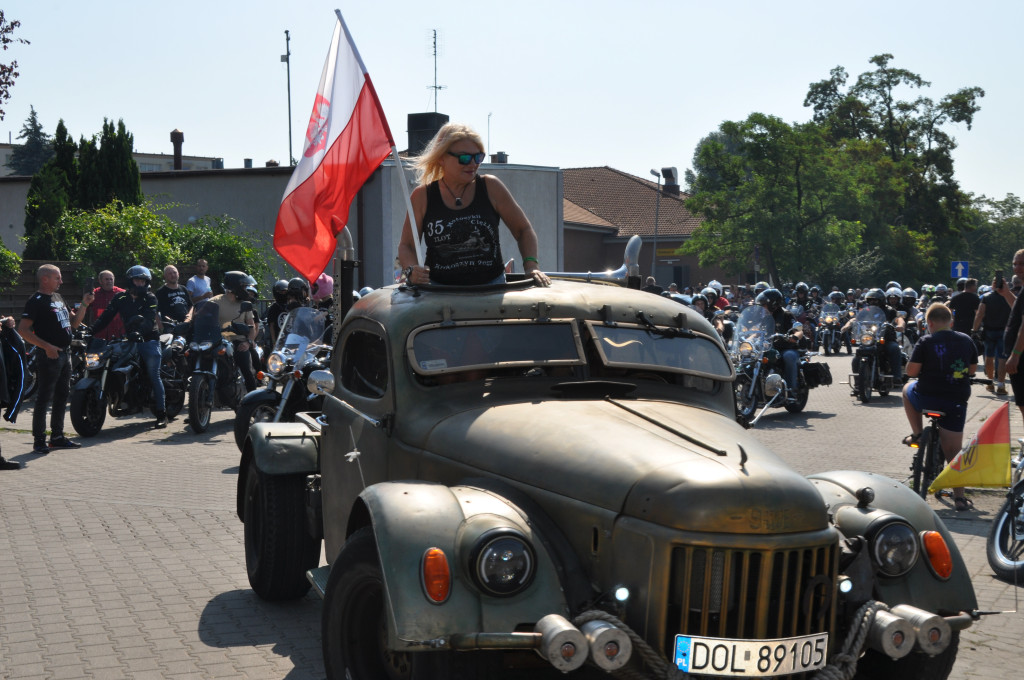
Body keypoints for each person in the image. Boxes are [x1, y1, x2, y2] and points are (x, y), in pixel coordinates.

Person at [397, 122, 550, 287]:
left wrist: (531, 266)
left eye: (478, 157)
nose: (473, 164)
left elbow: (523, 230)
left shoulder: (491, 187)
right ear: (441, 158)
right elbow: (407, 246)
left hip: (492, 289)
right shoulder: (422, 196)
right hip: (440, 294)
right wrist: (411, 270)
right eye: (464, 158)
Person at [901, 303, 978, 511]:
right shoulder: (966, 340)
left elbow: (912, 371)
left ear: (930, 323)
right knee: (954, 450)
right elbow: (971, 371)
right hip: (955, 401)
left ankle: (917, 433)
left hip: (928, 399)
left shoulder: (926, 341)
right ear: (951, 322)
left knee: (907, 389)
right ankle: (960, 498)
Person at [17, 264, 92, 453]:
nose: (61, 281)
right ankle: (39, 440)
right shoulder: (36, 300)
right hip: (49, 355)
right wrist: (46, 347)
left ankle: (57, 437)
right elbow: (23, 330)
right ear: (45, 279)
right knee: (44, 398)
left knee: (62, 395)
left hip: (65, 353)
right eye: (57, 278)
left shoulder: (58, 298)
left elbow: (74, 323)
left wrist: (85, 304)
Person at [91, 266, 168, 428]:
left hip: (148, 340)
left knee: (154, 374)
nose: (139, 284)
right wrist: (90, 331)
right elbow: (105, 317)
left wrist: (139, 331)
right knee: (112, 362)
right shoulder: (120, 298)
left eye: (143, 281)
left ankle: (162, 414)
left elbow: (148, 320)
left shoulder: (150, 298)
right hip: (128, 339)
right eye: (136, 280)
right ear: (130, 281)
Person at [197, 271, 259, 393]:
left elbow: (251, 326)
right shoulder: (214, 301)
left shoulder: (244, 304)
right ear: (235, 286)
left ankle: (254, 403)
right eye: (243, 286)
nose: (246, 289)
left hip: (238, 342)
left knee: (246, 369)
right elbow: (200, 318)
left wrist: (248, 342)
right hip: (218, 342)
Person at [757, 288, 803, 403]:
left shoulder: (786, 315)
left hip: (786, 348)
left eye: (765, 304)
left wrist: (795, 337)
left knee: (789, 357)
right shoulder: (766, 317)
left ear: (773, 304)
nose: (763, 307)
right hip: (769, 348)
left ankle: (791, 390)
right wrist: (747, 338)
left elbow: (799, 330)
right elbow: (758, 331)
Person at [973, 277, 1011, 395]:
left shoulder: (987, 297)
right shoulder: (1008, 297)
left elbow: (979, 314)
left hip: (989, 331)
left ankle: (990, 383)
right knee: (1002, 358)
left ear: (993, 285)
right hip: (1004, 331)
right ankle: (1001, 384)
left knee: (989, 357)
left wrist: (974, 329)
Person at [1000, 251, 1024, 420]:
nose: (1017, 267)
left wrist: (1015, 355)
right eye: (1015, 264)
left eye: (1022, 264)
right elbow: (1018, 308)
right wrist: (1005, 293)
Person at [89, 270, 126, 341]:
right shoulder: (94, 294)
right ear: (100, 281)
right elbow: (81, 308)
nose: (109, 281)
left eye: (111, 279)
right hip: (99, 337)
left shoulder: (122, 294)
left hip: (118, 336)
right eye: (106, 279)